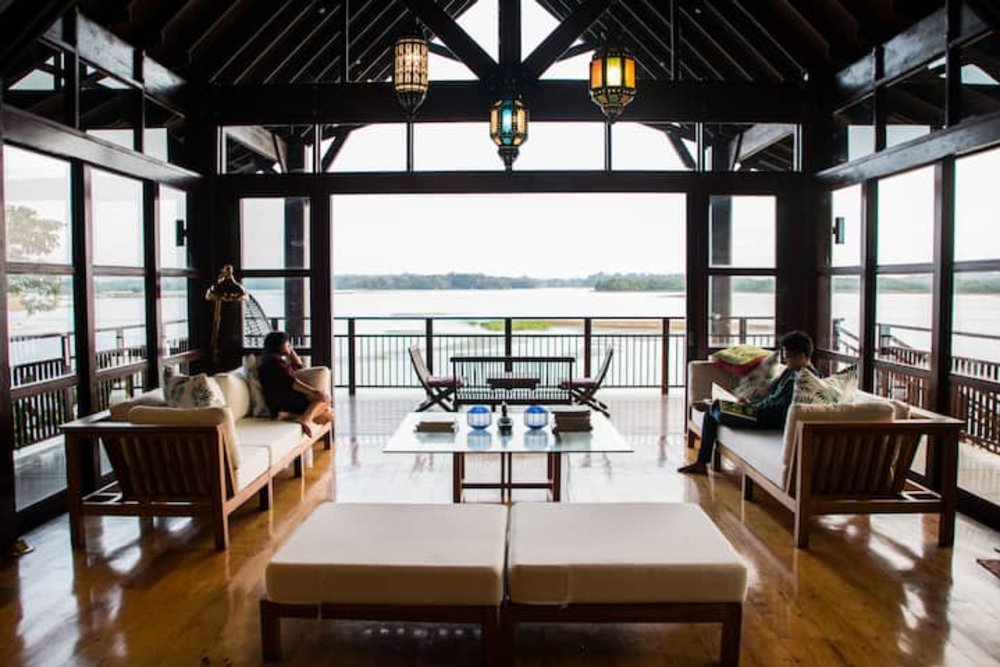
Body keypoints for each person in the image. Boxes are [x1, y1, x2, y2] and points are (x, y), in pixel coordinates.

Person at [678, 330, 817, 475]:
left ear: (801, 356)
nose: (785, 361)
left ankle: (702, 458)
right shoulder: (792, 372)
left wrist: (751, 407)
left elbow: (778, 407)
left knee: (715, 409)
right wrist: (750, 402)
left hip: (765, 418)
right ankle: (702, 462)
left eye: (788, 357)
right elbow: (771, 396)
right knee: (715, 408)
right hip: (759, 411)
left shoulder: (804, 380)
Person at [258, 331, 333, 436]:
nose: (290, 345)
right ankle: (304, 420)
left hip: (282, 402)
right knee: (325, 399)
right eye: (287, 343)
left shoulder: (274, 362)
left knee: (328, 413)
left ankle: (289, 416)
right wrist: (313, 392)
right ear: (278, 346)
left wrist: (291, 350)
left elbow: (299, 367)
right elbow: (293, 383)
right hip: (284, 402)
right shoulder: (275, 365)